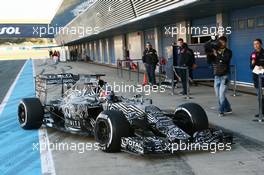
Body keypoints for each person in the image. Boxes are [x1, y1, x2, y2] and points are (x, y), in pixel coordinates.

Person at [208, 36, 232, 117]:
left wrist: (217, 54)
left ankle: (221, 111)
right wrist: (210, 53)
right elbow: (209, 61)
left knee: (221, 94)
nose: (221, 44)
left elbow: (225, 60)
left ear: (225, 43)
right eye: (219, 42)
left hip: (225, 76)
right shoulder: (215, 51)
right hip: (216, 76)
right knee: (218, 95)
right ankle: (228, 108)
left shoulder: (228, 52)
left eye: (222, 42)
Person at [250, 39, 264, 117]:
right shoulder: (253, 54)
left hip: (263, 76)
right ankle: (261, 111)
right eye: (254, 44)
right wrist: (253, 63)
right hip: (256, 76)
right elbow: (251, 66)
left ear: (261, 44)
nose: (255, 45)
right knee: (259, 96)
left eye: (257, 43)